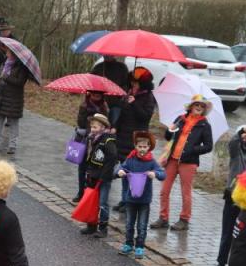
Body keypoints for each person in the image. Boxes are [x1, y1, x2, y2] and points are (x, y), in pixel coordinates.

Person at [150, 94, 214, 232]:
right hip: (172, 159)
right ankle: (163, 218)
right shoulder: (180, 119)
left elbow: (209, 146)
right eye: (197, 105)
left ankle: (184, 220)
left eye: (202, 106)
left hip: (189, 162)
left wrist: (193, 149)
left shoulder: (204, 125)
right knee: (164, 190)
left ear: (204, 109)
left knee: (186, 192)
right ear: (191, 106)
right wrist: (169, 130)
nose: (199, 107)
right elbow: (168, 137)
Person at [213, 119, 246, 266]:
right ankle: (221, 265)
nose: (245, 137)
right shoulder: (236, 152)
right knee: (227, 234)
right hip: (232, 198)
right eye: (243, 135)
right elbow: (233, 142)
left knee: (243, 237)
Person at [111, 67, 156, 212]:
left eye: (137, 83)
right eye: (132, 82)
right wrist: (115, 126)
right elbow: (122, 113)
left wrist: (134, 103)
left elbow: (145, 116)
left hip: (137, 138)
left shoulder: (148, 97)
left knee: (133, 171)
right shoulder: (128, 93)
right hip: (123, 136)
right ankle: (124, 199)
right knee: (124, 170)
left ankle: (130, 200)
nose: (134, 85)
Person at [115, 131, 165, 259]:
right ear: (135, 147)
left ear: (149, 147)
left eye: (145, 147)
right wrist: (120, 171)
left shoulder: (151, 162)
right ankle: (128, 244)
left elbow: (162, 173)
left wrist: (155, 174)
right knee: (129, 224)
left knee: (142, 225)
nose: (142, 149)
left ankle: (140, 246)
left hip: (144, 200)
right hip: (130, 198)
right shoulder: (130, 159)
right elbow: (121, 167)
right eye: (140, 146)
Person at [78, 114, 118, 238]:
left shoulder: (107, 141)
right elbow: (90, 157)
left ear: (102, 127)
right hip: (92, 174)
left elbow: (112, 158)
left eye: (95, 127)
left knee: (102, 203)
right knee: (92, 201)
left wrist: (104, 176)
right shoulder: (92, 139)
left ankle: (103, 228)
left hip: (103, 177)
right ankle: (91, 225)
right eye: (91, 126)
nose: (92, 129)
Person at [0, 46, 30, 154]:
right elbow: (0, 76)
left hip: (14, 99)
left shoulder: (22, 67)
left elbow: (20, 82)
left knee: (13, 123)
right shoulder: (5, 63)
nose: (6, 53)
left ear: (13, 54)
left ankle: (12, 145)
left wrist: (6, 77)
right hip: (1, 97)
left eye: (8, 51)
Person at [90, 56, 130, 126]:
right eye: (105, 54)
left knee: (113, 126)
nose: (107, 55)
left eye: (109, 54)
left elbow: (126, 84)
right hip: (100, 104)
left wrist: (118, 93)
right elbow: (91, 85)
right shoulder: (98, 68)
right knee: (99, 126)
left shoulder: (121, 67)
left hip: (116, 103)